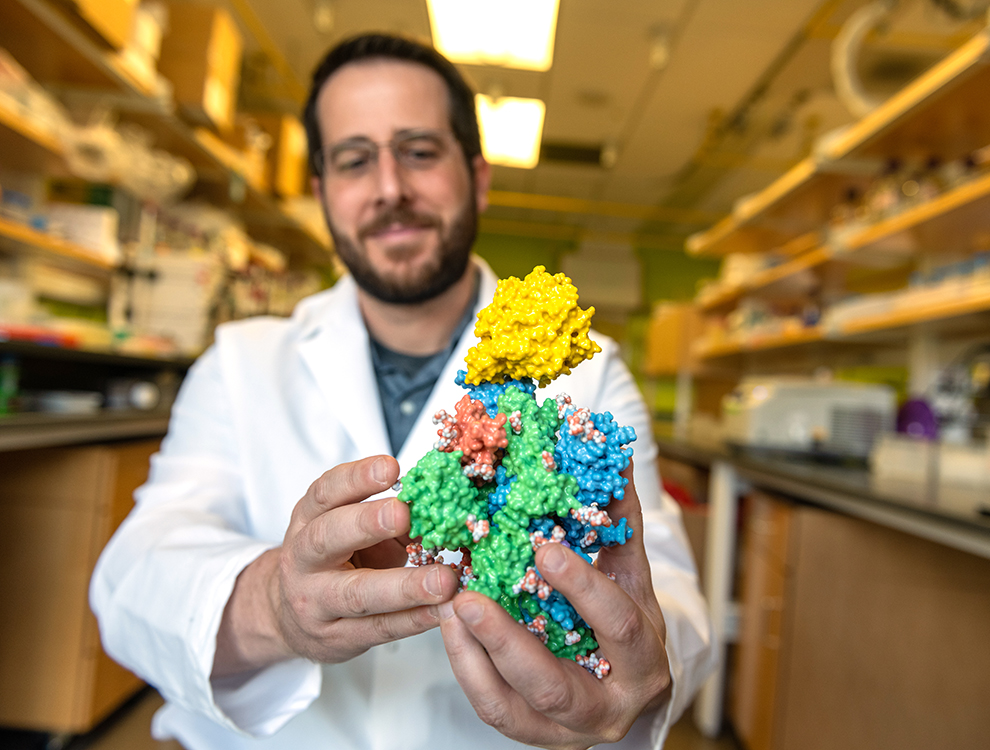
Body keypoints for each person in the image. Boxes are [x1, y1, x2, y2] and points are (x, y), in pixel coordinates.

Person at [90, 33, 714, 750]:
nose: (390, 187)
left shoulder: (589, 372)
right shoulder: (241, 362)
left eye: (419, 151)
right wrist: (273, 606)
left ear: (477, 177)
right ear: (323, 192)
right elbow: (130, 578)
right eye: (355, 160)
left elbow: (668, 600)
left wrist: (637, 670)